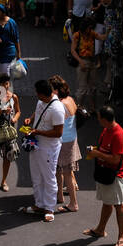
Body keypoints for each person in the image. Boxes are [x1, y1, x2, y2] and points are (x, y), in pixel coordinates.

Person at [83, 105, 123, 246]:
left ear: (104, 119)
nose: (98, 121)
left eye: (99, 119)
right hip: (104, 173)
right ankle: (100, 230)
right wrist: (95, 151)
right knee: (107, 202)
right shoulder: (106, 130)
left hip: (114, 175)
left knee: (118, 204)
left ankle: (122, 237)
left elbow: (116, 159)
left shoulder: (118, 135)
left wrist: (98, 155)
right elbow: (104, 150)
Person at [21, 79, 65, 222]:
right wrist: (30, 119)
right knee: (36, 175)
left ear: (43, 94)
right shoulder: (41, 101)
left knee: (48, 177)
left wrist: (37, 131)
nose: (36, 96)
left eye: (37, 93)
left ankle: (49, 208)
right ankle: (39, 204)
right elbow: (38, 111)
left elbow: (58, 133)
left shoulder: (57, 109)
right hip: (35, 144)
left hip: (48, 147)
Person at [51, 74, 80, 214]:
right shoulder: (71, 100)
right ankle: (60, 195)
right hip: (72, 138)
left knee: (66, 172)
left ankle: (73, 203)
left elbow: (56, 123)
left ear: (56, 90)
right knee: (60, 169)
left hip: (64, 141)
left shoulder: (61, 104)